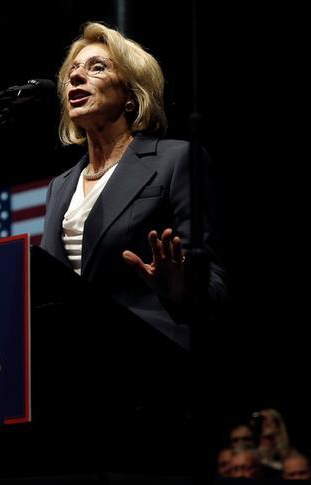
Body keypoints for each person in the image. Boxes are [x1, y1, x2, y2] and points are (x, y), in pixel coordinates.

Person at [41, 22, 228, 349]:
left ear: (130, 95)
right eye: (72, 71)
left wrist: (180, 288)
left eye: (97, 68)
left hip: (149, 357)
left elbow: (214, 284)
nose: (76, 77)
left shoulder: (176, 160)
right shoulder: (60, 186)